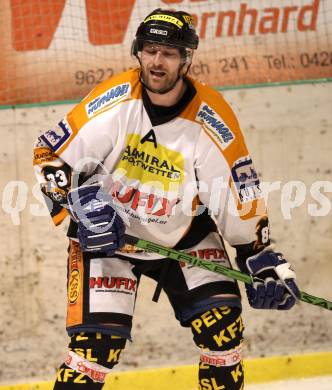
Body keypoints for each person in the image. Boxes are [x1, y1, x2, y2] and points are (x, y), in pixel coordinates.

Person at [33, 8, 301, 390]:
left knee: (223, 332)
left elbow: (237, 193)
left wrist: (259, 257)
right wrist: (83, 209)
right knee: (92, 353)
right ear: (138, 52)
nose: (157, 61)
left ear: (186, 59)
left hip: (185, 237)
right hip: (109, 239)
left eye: (169, 52)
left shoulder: (211, 119)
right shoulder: (115, 101)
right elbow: (49, 155)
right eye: (151, 50)